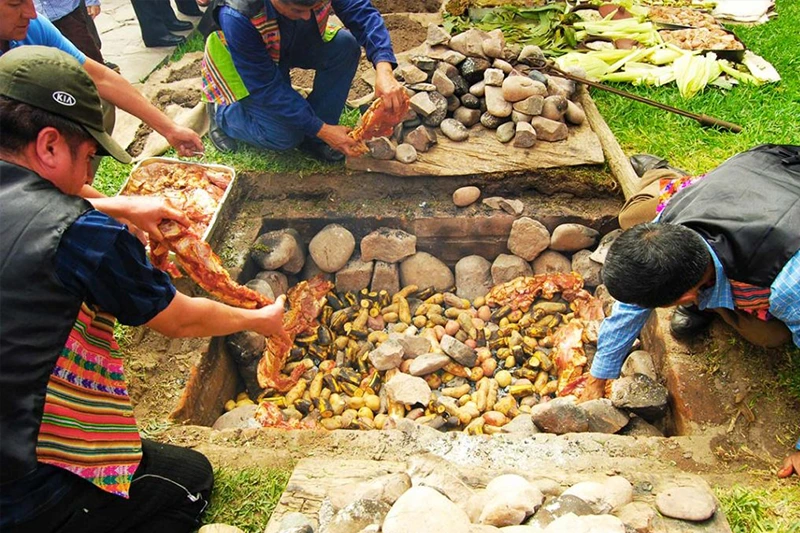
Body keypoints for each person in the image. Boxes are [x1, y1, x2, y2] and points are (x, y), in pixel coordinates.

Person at [0, 46, 287, 531]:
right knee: (190, 483)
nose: (91, 177)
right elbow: (179, 319)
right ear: (49, 145)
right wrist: (261, 320)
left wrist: (116, 206)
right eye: (89, 157)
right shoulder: (81, 234)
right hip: (20, 473)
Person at [576, 144, 800, 478]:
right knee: (634, 216)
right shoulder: (669, 225)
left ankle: (718, 303)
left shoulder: (788, 286)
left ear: (687, 296)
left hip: (784, 224)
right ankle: (662, 174)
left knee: (766, 334)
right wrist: (600, 374)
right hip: (768, 172)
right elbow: (629, 308)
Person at [201, 0, 405, 161]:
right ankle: (223, 114)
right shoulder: (236, 14)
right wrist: (324, 130)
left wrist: (384, 68)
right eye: (298, 10)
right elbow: (266, 87)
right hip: (246, 55)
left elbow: (362, 13)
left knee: (346, 47)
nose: (307, 16)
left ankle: (314, 138)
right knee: (285, 136)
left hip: (291, 39)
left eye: (315, 7)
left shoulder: (302, 16)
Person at [0, 0, 204, 157]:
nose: (31, 12)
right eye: (15, 4)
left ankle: (76, 175)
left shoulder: (36, 26)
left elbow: (101, 78)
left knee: (96, 100)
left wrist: (170, 129)